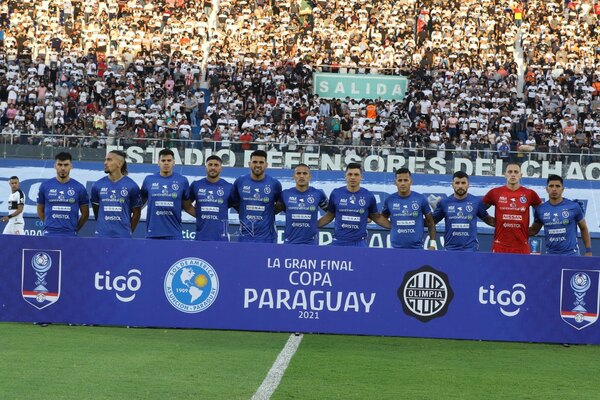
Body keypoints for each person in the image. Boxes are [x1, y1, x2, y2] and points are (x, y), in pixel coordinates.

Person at [317, 163, 388, 247]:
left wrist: (396, 226)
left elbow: (377, 218)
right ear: (345, 176)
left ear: (361, 176)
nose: (353, 177)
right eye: (350, 174)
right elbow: (329, 216)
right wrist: (312, 226)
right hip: (339, 241)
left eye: (356, 174)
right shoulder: (336, 193)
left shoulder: (368, 196)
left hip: (359, 243)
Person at [483, 162, 542, 254]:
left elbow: (542, 212)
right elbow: (479, 209)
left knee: (522, 269)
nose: (513, 174)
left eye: (516, 172)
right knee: (499, 269)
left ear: (521, 175)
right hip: (500, 245)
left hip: (522, 245)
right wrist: (490, 220)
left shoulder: (530, 194)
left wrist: (535, 228)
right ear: (505, 175)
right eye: (510, 172)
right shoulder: (495, 193)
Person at [528, 175, 592, 256]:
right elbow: (534, 230)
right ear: (547, 189)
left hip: (571, 255)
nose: (554, 189)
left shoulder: (574, 206)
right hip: (551, 256)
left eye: (557, 186)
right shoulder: (541, 209)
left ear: (562, 189)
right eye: (551, 186)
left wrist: (588, 251)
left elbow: (583, 228)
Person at [432, 171, 495, 251]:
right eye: (457, 183)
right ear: (452, 185)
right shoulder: (444, 203)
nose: (460, 186)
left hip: (471, 249)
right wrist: (416, 218)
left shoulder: (476, 202)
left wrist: (509, 223)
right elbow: (431, 222)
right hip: (450, 249)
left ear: (468, 184)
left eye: (463, 183)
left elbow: (489, 220)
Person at [141, 148, 193, 240]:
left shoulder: (182, 180)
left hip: (174, 233)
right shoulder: (149, 180)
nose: (166, 163)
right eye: (163, 160)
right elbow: (140, 204)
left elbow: (187, 206)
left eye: (169, 160)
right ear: (158, 162)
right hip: (152, 233)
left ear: (173, 162)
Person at [231, 150, 282, 243]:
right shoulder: (240, 182)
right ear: (249, 164)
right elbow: (234, 202)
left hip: (268, 237)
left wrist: (268, 212)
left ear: (266, 164)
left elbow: (280, 204)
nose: (258, 165)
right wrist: (243, 210)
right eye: (255, 162)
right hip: (245, 236)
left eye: (261, 162)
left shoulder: (275, 184)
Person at [381, 168, 437, 250]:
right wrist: (394, 226)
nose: (403, 183)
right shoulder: (390, 200)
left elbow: (430, 222)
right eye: (400, 180)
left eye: (406, 180)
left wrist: (432, 244)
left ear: (411, 181)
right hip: (395, 248)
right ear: (395, 182)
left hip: (417, 248)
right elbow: (382, 218)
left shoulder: (420, 199)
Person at [90, 150, 142, 238]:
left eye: (109, 160)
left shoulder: (132, 186)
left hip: (123, 236)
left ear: (119, 163)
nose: (105, 163)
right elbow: (97, 212)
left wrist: (128, 232)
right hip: (101, 236)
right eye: (105, 160)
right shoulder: (97, 185)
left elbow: (136, 214)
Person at [36, 152, 89, 237]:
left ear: (71, 166)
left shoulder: (79, 188)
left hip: (70, 233)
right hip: (49, 233)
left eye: (66, 165)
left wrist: (75, 229)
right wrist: (49, 225)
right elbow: (40, 210)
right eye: (60, 165)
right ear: (55, 166)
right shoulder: (45, 186)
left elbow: (85, 214)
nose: (63, 168)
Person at [279, 164, 328, 245]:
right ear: (293, 176)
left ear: (310, 176)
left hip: (311, 243)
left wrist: (315, 225)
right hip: (290, 242)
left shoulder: (318, 194)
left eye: (305, 173)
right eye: (298, 173)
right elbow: (274, 211)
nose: (301, 176)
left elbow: (331, 213)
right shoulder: (285, 194)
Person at [189, 155, 234, 241]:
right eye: (210, 165)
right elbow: (186, 205)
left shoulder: (229, 187)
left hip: (221, 239)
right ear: (205, 167)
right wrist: (200, 214)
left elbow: (233, 205)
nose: (213, 167)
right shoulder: (196, 185)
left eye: (216, 165)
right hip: (201, 238)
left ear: (221, 168)